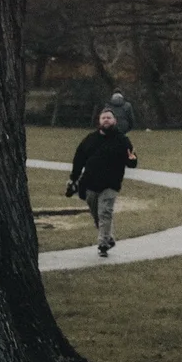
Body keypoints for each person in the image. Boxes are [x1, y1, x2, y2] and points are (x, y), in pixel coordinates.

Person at [67, 108, 137, 257]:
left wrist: (133, 160)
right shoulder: (90, 139)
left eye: (109, 118)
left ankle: (102, 245)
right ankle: (108, 237)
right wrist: (74, 177)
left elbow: (131, 159)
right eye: (103, 118)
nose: (106, 120)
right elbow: (79, 159)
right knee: (96, 214)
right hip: (90, 183)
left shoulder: (121, 140)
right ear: (99, 121)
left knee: (105, 212)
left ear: (114, 121)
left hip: (111, 184)